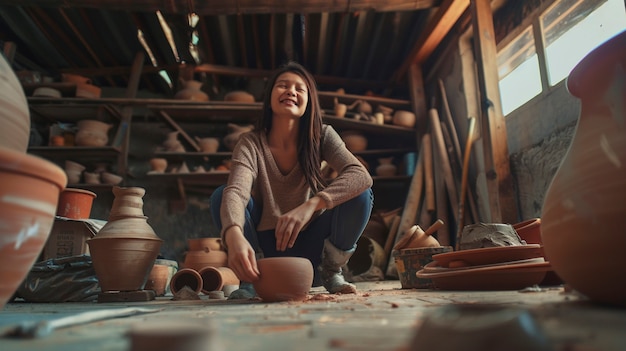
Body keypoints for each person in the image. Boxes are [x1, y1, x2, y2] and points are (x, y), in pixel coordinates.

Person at [210, 61, 373, 299]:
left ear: (309, 101)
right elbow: (236, 191)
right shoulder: (250, 142)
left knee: (360, 192)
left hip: (312, 250)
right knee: (221, 195)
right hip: (265, 252)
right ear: (269, 97)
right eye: (282, 86)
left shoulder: (323, 135)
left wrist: (312, 205)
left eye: (300, 88)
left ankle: (331, 271)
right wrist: (233, 234)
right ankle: (248, 279)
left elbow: (360, 175)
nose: (291, 91)